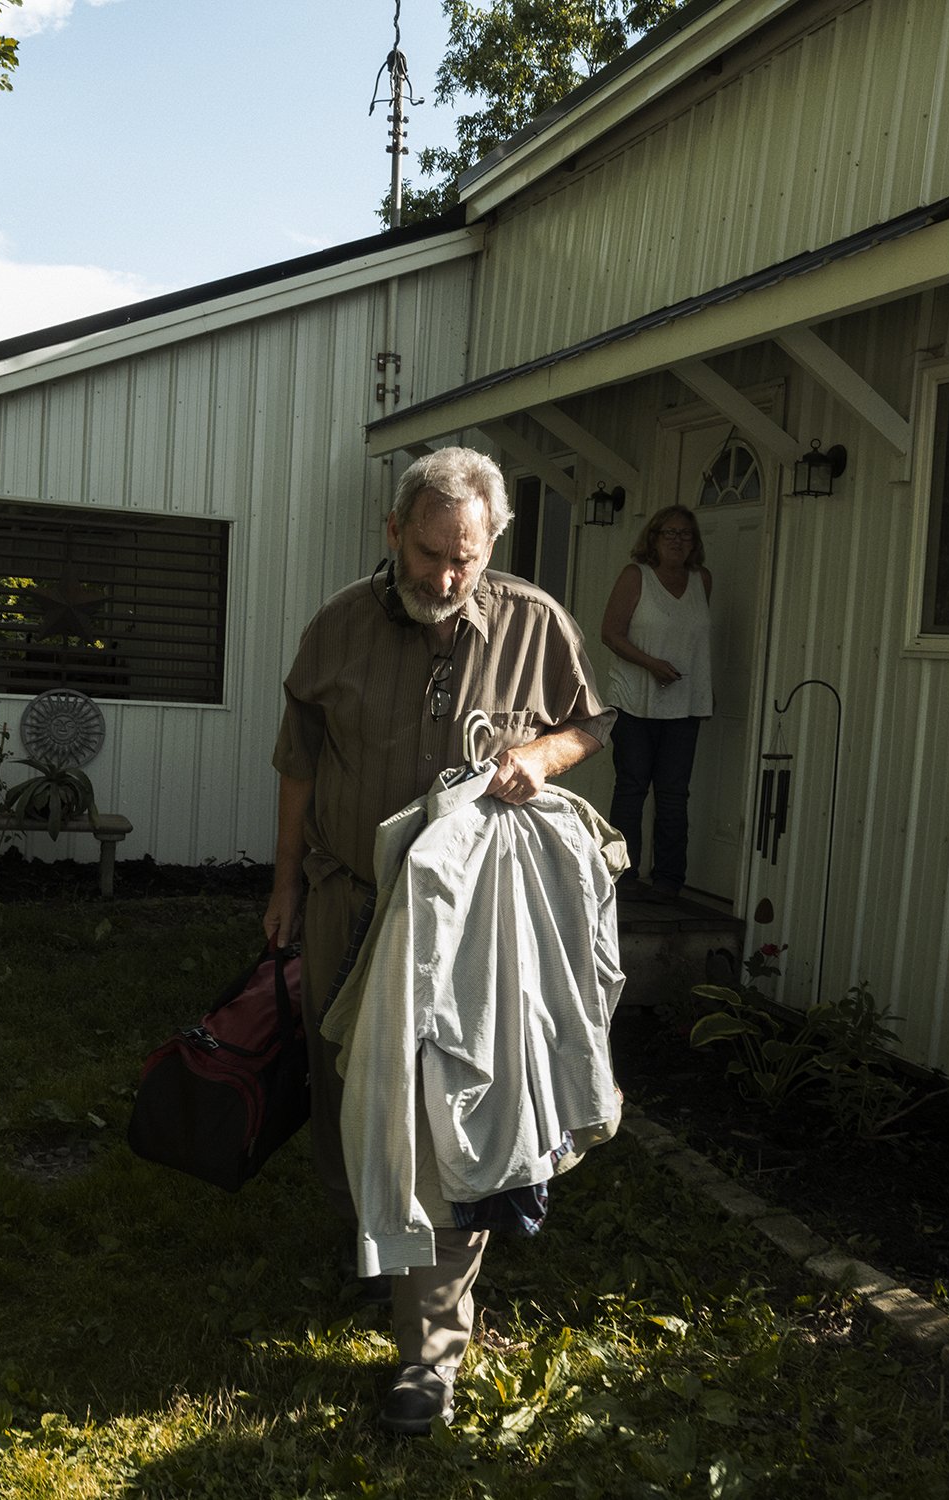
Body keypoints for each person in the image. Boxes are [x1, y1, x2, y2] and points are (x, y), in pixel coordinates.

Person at [263, 446, 614, 1434]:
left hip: (459, 929)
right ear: (392, 534)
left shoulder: (533, 623)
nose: (445, 578)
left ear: (490, 542)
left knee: (440, 1120)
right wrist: (284, 886)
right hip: (347, 900)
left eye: (464, 559)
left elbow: (585, 724)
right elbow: (297, 765)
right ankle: (371, 1233)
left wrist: (537, 757)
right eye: (428, 555)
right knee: (344, 1088)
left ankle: (431, 1360)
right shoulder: (335, 628)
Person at [599, 504, 713, 898]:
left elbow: (692, 639)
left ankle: (668, 882)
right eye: (670, 533)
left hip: (684, 705)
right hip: (634, 701)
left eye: (686, 535)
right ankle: (624, 879)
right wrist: (651, 664)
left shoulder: (702, 581)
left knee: (674, 794)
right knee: (631, 788)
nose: (678, 541)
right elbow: (610, 633)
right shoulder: (637, 577)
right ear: (654, 538)